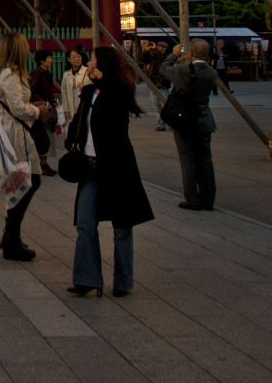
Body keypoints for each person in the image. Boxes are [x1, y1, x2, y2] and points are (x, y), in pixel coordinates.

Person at [64, 45, 154, 296]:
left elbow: (122, 97)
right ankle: (87, 278)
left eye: (91, 59)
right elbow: (81, 122)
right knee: (84, 223)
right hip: (90, 165)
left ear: (102, 64)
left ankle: (123, 281)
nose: (88, 63)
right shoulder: (90, 92)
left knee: (122, 227)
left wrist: (106, 79)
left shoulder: (120, 90)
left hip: (117, 166)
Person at [0, 30, 50, 261]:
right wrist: (38, 110)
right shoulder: (9, 74)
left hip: (13, 131)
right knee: (28, 182)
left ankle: (11, 236)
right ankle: (11, 236)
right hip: (15, 134)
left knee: (19, 184)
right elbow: (17, 107)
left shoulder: (7, 73)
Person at [162, 39, 218, 211]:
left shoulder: (182, 70)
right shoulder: (212, 73)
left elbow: (163, 69)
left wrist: (174, 54)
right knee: (205, 160)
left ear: (190, 53)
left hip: (184, 120)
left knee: (187, 160)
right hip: (204, 119)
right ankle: (208, 200)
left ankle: (192, 198)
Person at [28, 60, 59, 177]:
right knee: (43, 134)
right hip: (42, 109)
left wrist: (52, 99)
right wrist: (43, 103)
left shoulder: (47, 74)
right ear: (42, 60)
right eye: (48, 58)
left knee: (48, 134)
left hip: (48, 107)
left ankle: (43, 162)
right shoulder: (37, 74)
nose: (51, 60)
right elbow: (32, 91)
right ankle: (42, 163)